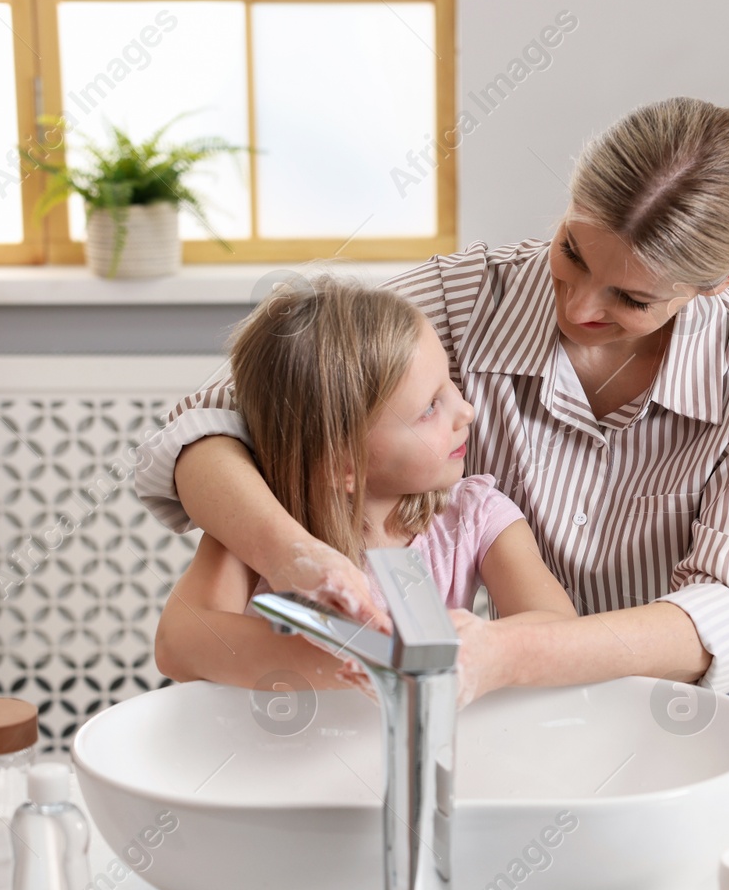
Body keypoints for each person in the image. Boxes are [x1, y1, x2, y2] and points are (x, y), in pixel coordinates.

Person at [138, 97, 729, 767]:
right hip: (524, 696)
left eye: (631, 297)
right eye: (573, 252)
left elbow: (725, 610)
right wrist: (294, 556)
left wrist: (502, 654)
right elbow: (221, 419)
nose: (580, 305)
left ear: (720, 280)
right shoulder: (466, 295)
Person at [153, 275, 576, 702]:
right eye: (430, 406)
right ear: (343, 465)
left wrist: (452, 654)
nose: (465, 410)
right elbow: (179, 645)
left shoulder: (474, 515)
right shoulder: (259, 525)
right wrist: (376, 661)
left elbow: (559, 629)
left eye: (449, 382)